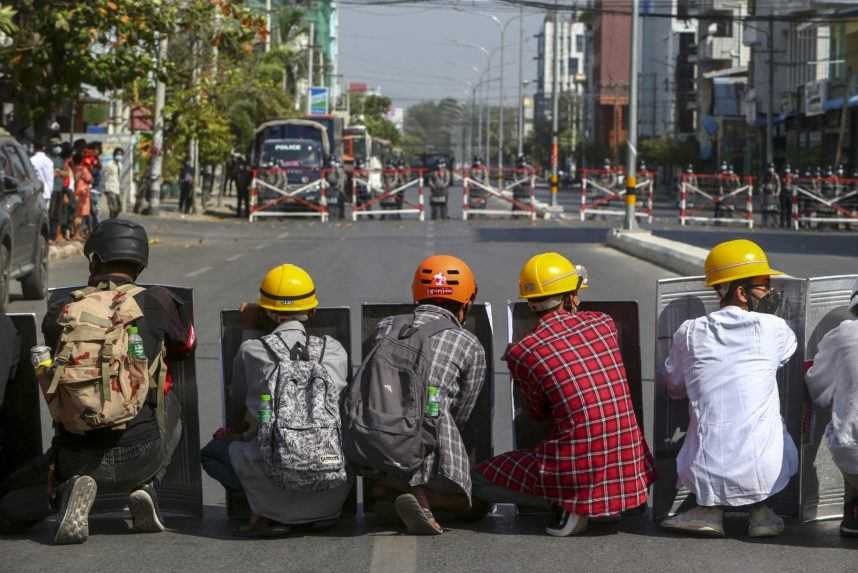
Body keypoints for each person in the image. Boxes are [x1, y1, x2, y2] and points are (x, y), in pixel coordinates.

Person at [0, 219, 196, 543]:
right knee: (172, 398)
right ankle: (148, 486)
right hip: (141, 452)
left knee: (12, 500)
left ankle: (68, 486)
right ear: (140, 261)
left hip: (76, 455)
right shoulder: (159, 301)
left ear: (95, 260)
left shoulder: (63, 308)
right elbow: (187, 346)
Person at [474, 253, 655, 536]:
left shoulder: (524, 352)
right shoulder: (604, 323)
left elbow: (536, 412)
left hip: (575, 468)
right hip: (631, 470)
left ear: (530, 301)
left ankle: (573, 504)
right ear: (572, 296)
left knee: (479, 480)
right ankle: (602, 504)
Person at [660, 239, 798, 538]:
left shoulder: (689, 331)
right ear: (740, 291)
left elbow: (674, 387)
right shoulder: (773, 328)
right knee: (771, 424)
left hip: (706, 470)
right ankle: (762, 513)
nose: (770, 291)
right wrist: (770, 317)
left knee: (707, 429)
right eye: (763, 285)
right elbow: (785, 354)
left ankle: (708, 511)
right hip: (767, 469)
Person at [201, 264, 351, 537]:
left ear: (267, 312)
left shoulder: (251, 350)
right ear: (313, 311)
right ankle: (318, 513)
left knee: (213, 453)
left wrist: (248, 329)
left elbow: (236, 408)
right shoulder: (335, 351)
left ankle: (264, 509)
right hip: (332, 496)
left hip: (273, 496)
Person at [354, 255, 487, 535]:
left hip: (373, 445)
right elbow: (464, 412)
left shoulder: (385, 326)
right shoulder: (469, 343)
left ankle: (393, 488)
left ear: (417, 292)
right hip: (429, 447)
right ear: (467, 302)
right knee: (477, 506)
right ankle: (431, 499)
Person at [805, 277, 858, 537]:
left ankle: (853, 514)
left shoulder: (842, 333)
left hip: (852, 453)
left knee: (849, 428)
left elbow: (819, 393)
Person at [72, 151, 93, 240]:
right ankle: (76, 234)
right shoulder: (83, 169)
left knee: (76, 214)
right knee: (79, 215)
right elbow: (90, 179)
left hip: (75, 192)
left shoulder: (73, 168)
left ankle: (76, 233)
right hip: (82, 193)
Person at [29, 142, 54, 209]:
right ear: (43, 148)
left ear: (34, 148)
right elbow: (50, 178)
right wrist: (50, 191)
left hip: (34, 191)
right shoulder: (49, 161)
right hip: (46, 191)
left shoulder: (31, 160)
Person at [102, 148, 124, 219]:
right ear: (114, 155)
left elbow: (118, 177)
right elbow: (104, 175)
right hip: (110, 188)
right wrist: (104, 187)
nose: (119, 156)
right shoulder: (109, 164)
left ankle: (112, 220)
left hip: (117, 188)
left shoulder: (120, 165)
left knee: (119, 208)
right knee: (113, 207)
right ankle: (111, 222)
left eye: (121, 154)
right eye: (118, 154)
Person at [762, 163, 781, 228]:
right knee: (766, 209)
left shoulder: (776, 176)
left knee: (774, 210)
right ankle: (765, 223)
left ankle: (776, 223)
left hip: (773, 194)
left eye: (772, 167)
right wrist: (762, 190)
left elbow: (778, 185)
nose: (771, 169)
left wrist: (777, 193)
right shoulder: (765, 175)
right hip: (766, 194)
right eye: (770, 167)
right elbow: (763, 184)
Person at [780, 164, 793, 229]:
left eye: (788, 168)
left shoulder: (791, 175)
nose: (787, 170)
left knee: (789, 209)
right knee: (783, 209)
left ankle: (789, 223)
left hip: (790, 193)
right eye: (786, 168)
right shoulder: (782, 175)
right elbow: (783, 182)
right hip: (784, 193)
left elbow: (793, 183)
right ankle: (782, 223)